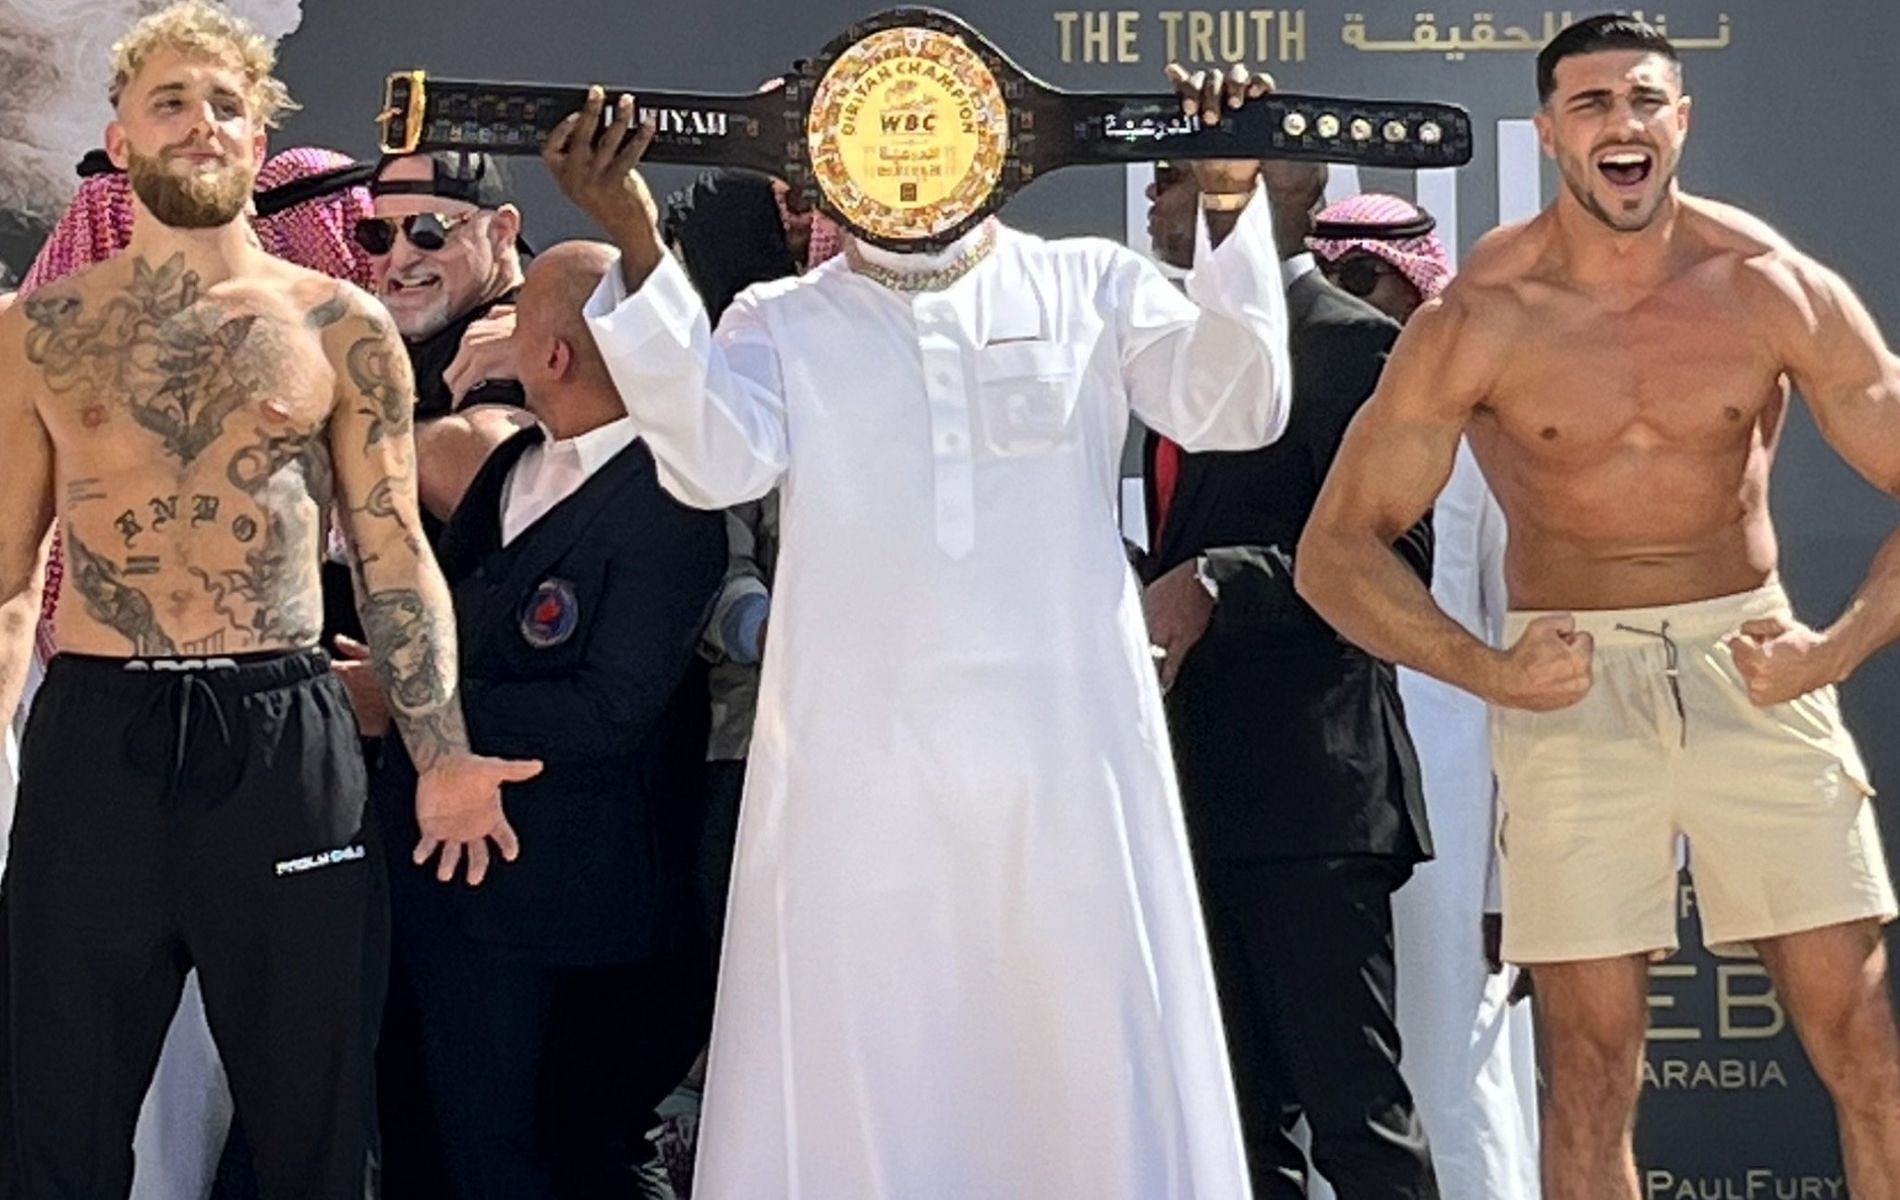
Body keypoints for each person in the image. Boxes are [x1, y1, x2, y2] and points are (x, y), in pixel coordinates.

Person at [551, 63, 1291, 1197]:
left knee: (1080, 1046)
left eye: (927, 122)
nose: (904, 149)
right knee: (863, 1052)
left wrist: (1232, 204)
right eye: (876, 129)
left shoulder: (1090, 282)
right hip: (859, 770)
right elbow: (711, 465)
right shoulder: (778, 319)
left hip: (1069, 759)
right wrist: (638, 244)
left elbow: (1234, 405)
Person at [1297, 15, 1900, 1199]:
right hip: (1568, 684)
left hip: (1750, 657)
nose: (1619, 125)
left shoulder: (1768, 286)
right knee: (1588, 1070)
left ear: (1679, 119)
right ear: (1548, 132)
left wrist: (1836, 648)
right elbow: (1334, 553)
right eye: (1590, 105)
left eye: (1641, 100)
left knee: (1866, 1048)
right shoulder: (1479, 313)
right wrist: (1490, 671)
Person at [0, 3, 537, 1194]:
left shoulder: (339, 326)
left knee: (312, 1123)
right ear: (120, 136)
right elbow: (3, 565)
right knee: (54, 1123)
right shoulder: (36, 333)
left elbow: (394, 553)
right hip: (98, 738)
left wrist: (443, 752)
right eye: (171, 103)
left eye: (226, 106)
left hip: (281, 738)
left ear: (261, 143)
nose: (201, 125)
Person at [352, 241, 725, 1198]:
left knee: (548, 1158)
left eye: (519, 325)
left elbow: (608, 707)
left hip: (564, 914)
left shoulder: (673, 498)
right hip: (442, 901)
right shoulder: (512, 462)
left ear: (552, 357)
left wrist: (412, 711)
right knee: (446, 1144)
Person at [1142, 158, 1438, 1198]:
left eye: (1176, 177)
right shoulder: (1172, 354)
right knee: (1232, 1128)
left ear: (1261, 193)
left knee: (1355, 1115)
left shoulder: (1356, 344)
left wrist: (1223, 579)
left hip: (1315, 798)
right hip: (1191, 797)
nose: (1151, 197)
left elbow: (1396, 571)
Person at [1309, 191, 1542, 1199]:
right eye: (1327, 280)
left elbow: (1527, 651)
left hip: (1453, 799)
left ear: (1415, 290)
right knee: (1333, 1073)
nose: (1341, 301)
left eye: (1359, 280)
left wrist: (1514, 879)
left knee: (1453, 1067)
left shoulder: (1491, 438)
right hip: (1323, 789)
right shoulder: (1310, 414)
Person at [361, 151, 535, 534]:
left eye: (428, 231)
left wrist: (341, 434)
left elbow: (485, 481)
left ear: (501, 231)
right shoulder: (370, 338)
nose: (401, 259)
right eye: (380, 235)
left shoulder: (518, 332)